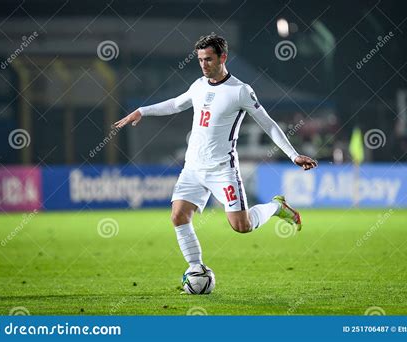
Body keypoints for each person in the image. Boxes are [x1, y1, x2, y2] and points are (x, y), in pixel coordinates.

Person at [114, 33, 317, 269]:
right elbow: (176, 104)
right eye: (200, 60)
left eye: (208, 59)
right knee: (178, 216)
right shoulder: (198, 86)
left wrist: (293, 155)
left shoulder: (240, 90)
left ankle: (277, 207)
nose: (203, 65)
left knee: (242, 226)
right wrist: (142, 110)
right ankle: (196, 269)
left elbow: (268, 124)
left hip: (222, 170)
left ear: (223, 58)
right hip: (193, 168)